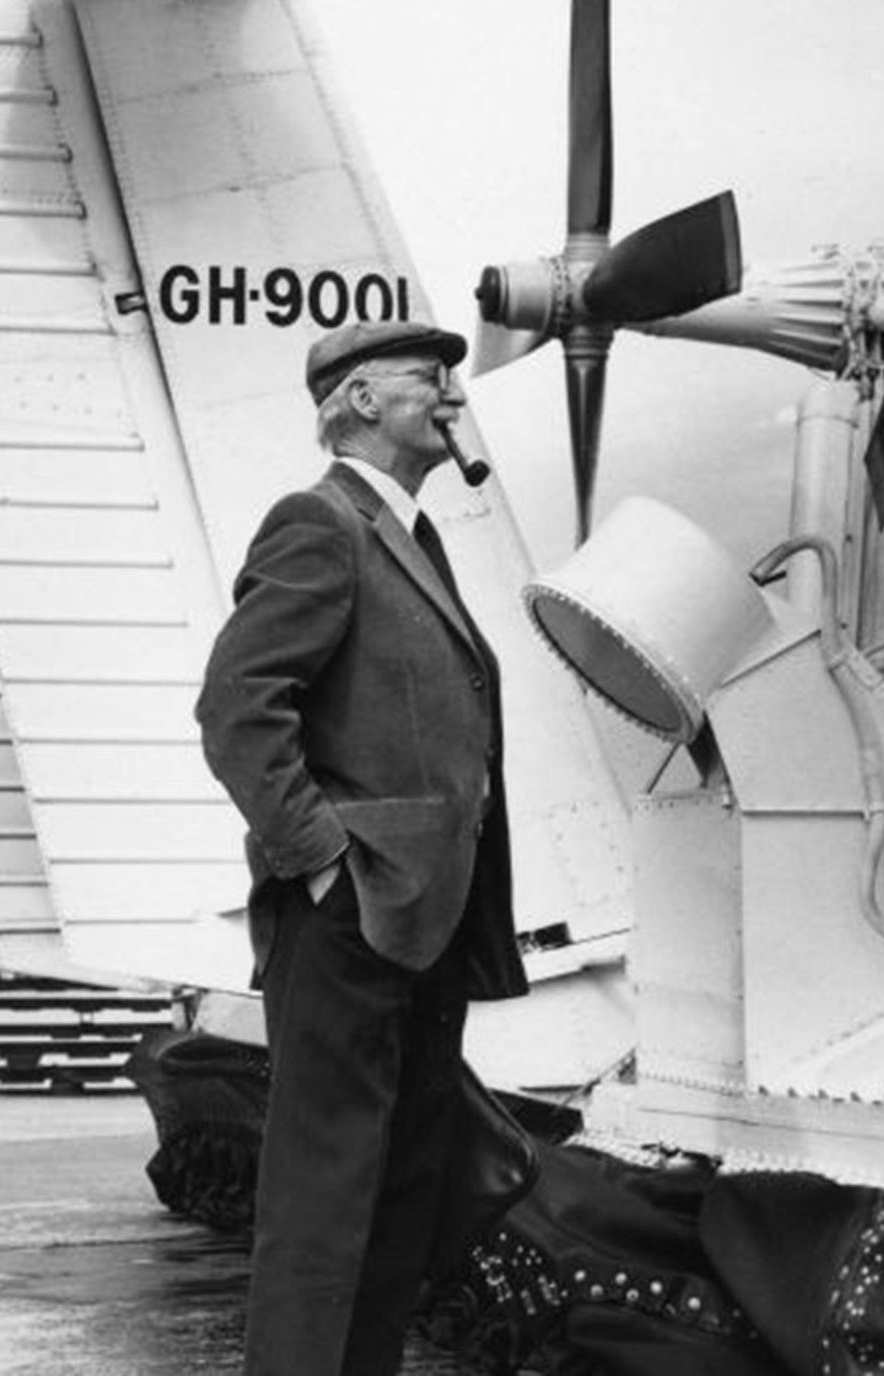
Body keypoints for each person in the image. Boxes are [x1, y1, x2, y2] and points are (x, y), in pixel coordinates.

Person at [196, 319, 528, 1376]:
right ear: (352, 401)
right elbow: (238, 705)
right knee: (326, 1193)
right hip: (352, 916)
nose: (449, 394)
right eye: (426, 378)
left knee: (397, 1190)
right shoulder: (319, 522)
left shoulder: (409, 535)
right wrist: (321, 859)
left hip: (422, 917)